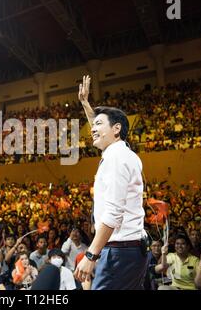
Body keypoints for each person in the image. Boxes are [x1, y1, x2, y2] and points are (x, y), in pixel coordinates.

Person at [74, 75, 148, 290]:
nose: (92, 129)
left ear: (116, 129)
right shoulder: (118, 152)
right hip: (128, 250)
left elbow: (114, 213)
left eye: (98, 124)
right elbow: (99, 129)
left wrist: (91, 254)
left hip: (119, 251)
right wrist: (85, 104)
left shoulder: (116, 158)